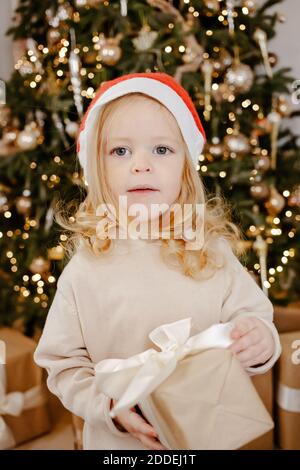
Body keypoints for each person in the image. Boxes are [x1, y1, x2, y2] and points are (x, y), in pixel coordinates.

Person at [33, 72, 282, 450]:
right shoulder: (86, 269)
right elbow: (63, 364)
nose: (141, 165)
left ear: (186, 166)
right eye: (120, 151)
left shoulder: (212, 253)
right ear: (98, 171)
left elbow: (255, 319)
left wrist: (260, 340)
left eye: (162, 150)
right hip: (121, 447)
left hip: (207, 434)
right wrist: (109, 408)